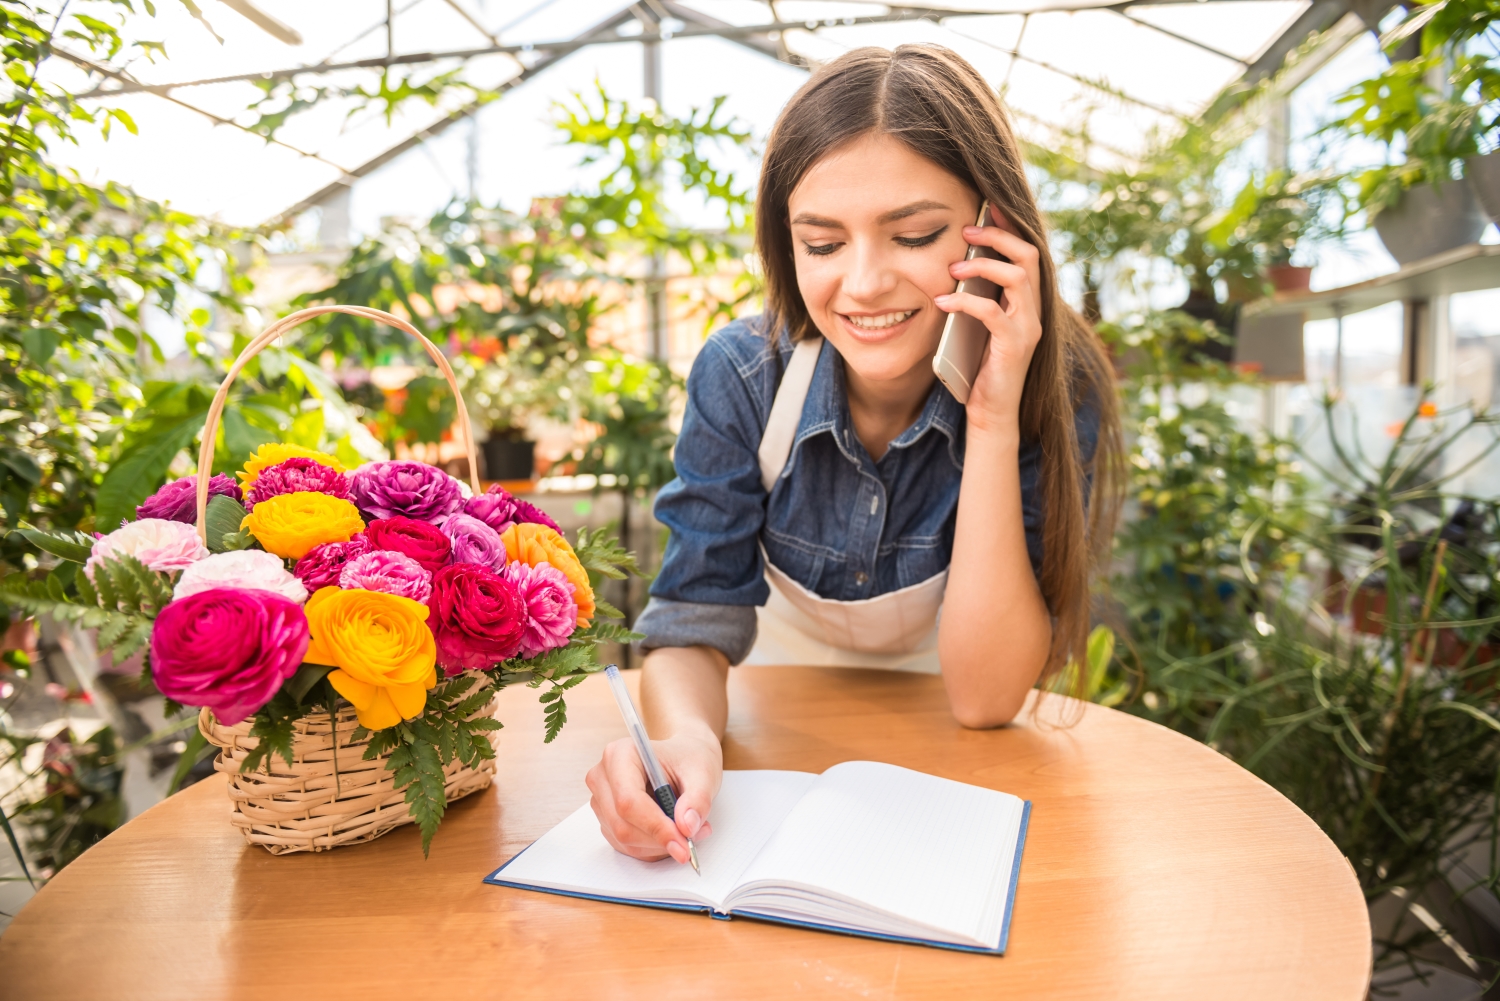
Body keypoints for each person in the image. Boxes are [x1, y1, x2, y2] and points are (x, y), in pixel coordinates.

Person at [586, 44, 1123, 867]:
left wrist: (992, 416)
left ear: (998, 230)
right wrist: (687, 739)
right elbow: (693, 618)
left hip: (956, 758)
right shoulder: (744, 376)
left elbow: (983, 698)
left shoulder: (1056, 384)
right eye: (823, 244)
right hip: (779, 744)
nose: (864, 284)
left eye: (912, 234)